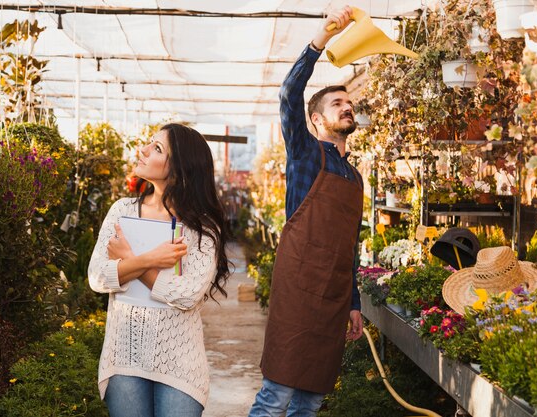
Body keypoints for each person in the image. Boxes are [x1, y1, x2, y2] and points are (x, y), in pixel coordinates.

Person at [249, 6, 364, 416]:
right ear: (316, 120)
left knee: (312, 401)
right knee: (275, 395)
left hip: (333, 296)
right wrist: (320, 40)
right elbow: (287, 93)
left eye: (349, 103)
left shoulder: (355, 178)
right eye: (337, 103)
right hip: (298, 288)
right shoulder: (304, 152)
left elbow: (350, 247)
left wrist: (353, 302)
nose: (346, 108)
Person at [88, 123, 231, 417]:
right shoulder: (122, 210)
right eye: (149, 143)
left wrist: (128, 262)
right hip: (124, 355)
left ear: (179, 169)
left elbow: (189, 294)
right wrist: (151, 259)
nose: (142, 150)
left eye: (157, 148)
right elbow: (98, 277)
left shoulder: (202, 227)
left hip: (179, 364)